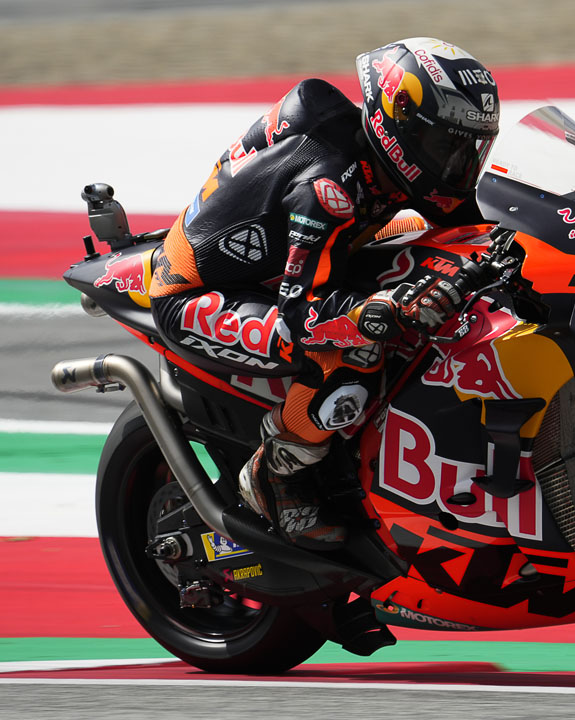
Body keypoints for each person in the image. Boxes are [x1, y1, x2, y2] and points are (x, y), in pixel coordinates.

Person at [148, 38, 501, 550]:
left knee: (437, 248)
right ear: (400, 124)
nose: (457, 164)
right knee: (352, 349)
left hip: (294, 265)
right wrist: (385, 308)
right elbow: (304, 318)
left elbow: (477, 223)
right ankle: (275, 471)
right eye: (446, 146)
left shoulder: (392, 158)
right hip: (201, 293)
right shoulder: (327, 186)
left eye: (469, 149)